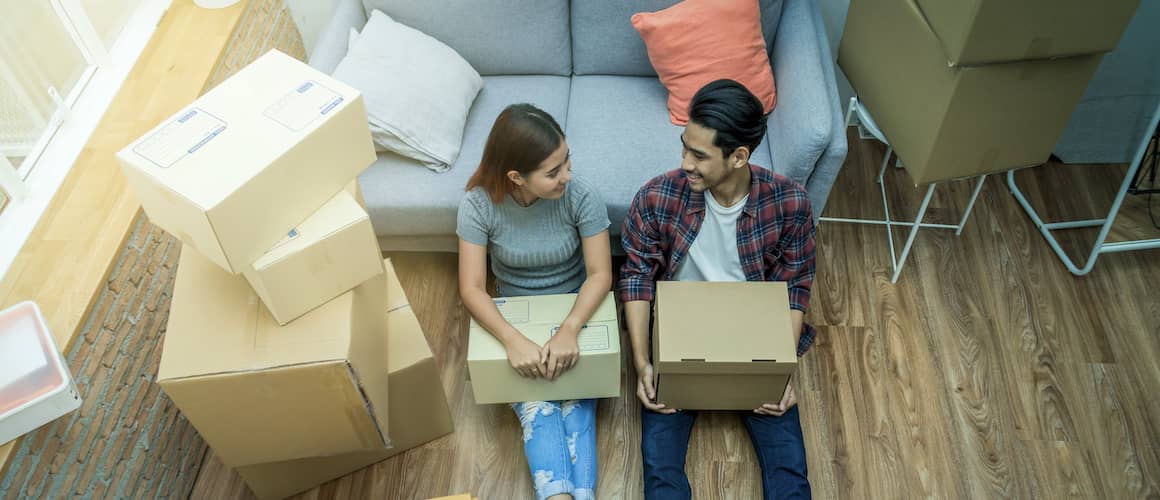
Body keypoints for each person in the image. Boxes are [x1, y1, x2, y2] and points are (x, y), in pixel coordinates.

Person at [619, 79, 817, 499]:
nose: (685, 162)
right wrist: (643, 365)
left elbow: (795, 286)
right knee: (660, 470)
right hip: (678, 333)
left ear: (739, 157)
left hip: (753, 333)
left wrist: (778, 370)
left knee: (790, 472)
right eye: (684, 147)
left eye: (699, 155)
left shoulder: (789, 203)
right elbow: (636, 279)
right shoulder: (656, 198)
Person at [457, 103, 613, 500]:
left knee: (576, 406)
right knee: (538, 409)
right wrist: (513, 340)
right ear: (516, 178)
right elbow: (472, 288)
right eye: (553, 171)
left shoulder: (581, 195)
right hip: (516, 317)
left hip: (576, 309)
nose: (568, 175)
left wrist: (569, 329)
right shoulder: (478, 204)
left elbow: (600, 274)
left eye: (567, 161)